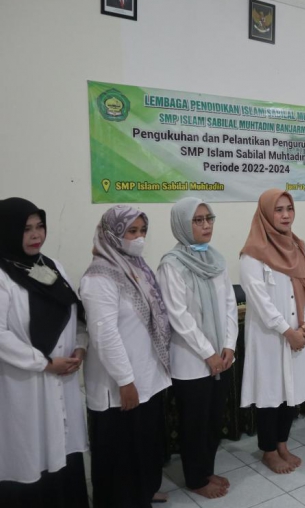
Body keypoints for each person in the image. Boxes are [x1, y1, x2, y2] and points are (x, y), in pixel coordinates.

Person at [0, 198, 89, 508]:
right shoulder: (2, 276)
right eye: (26, 229)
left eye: (40, 226)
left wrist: (80, 344)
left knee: (64, 448)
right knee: (31, 454)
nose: (36, 235)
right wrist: (45, 363)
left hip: (63, 375)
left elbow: (73, 310)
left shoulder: (50, 267)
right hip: (26, 383)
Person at [81, 206, 172, 508]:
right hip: (119, 383)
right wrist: (125, 380)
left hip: (146, 374)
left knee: (144, 443)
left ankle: (143, 492)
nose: (139, 237)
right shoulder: (99, 276)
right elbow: (104, 334)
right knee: (120, 450)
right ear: (112, 233)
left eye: (142, 230)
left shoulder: (136, 267)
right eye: (131, 231)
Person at [157, 198, 238, 499]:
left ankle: (206, 469)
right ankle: (195, 478)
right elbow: (179, 316)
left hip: (222, 357)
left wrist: (229, 345)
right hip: (191, 360)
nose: (206, 225)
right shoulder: (171, 265)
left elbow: (229, 305)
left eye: (209, 218)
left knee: (214, 419)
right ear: (182, 224)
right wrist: (208, 353)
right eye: (197, 220)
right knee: (194, 422)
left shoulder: (216, 259)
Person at [240, 189, 305, 473]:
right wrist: (288, 331)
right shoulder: (252, 254)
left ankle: (283, 443)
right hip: (270, 337)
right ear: (265, 213)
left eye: (289, 209)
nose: (286, 215)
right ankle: (269, 450)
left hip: (299, 333)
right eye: (278, 210)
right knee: (270, 393)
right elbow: (259, 301)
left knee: (291, 391)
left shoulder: (297, 246)